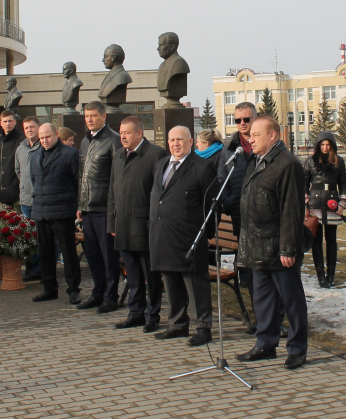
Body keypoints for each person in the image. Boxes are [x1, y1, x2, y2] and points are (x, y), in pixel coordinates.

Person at [235, 116, 308, 369]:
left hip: (279, 246)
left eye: (256, 135)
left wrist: (288, 248)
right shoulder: (257, 161)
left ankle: (297, 349)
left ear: (273, 136)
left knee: (291, 300)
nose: (250, 139)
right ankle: (265, 344)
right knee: (263, 299)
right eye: (249, 135)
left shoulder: (287, 164)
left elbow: (291, 211)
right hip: (257, 243)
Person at [149, 126, 218, 346]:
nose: (175, 144)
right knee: (170, 280)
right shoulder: (161, 165)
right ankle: (177, 324)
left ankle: (203, 327)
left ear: (191, 142)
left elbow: (212, 204)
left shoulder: (202, 167)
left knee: (195, 285)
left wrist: (205, 234)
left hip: (190, 236)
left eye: (180, 139)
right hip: (163, 234)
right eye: (171, 140)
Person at [107, 117, 168, 332]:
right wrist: (111, 222)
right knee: (132, 274)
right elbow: (112, 192)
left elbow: (160, 192)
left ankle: (153, 315)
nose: (122, 136)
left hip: (144, 225)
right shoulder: (119, 155)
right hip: (123, 224)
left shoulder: (155, 154)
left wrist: (154, 222)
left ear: (139, 134)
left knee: (150, 275)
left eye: (127, 132)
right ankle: (135, 313)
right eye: (121, 132)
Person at [77, 101, 123, 313]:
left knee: (108, 256)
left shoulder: (114, 140)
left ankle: (111, 297)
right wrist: (80, 203)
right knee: (92, 254)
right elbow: (82, 175)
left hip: (104, 208)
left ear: (104, 117)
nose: (89, 119)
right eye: (87, 116)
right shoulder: (86, 141)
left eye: (93, 116)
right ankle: (97, 292)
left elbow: (117, 178)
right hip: (87, 207)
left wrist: (114, 208)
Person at [29, 123, 82, 304]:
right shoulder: (35, 155)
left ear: (56, 135)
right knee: (45, 252)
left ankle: (73, 289)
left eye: (47, 137)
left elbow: (78, 182)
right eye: (41, 137)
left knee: (68, 252)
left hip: (62, 212)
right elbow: (34, 180)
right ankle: (49, 288)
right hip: (41, 212)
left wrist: (78, 206)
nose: (44, 141)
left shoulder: (70, 154)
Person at [218, 102, 259, 334]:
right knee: (251, 274)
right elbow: (222, 176)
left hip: (263, 220)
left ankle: (275, 318)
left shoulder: (264, 144)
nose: (242, 124)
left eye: (247, 119)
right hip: (240, 218)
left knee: (266, 273)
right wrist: (230, 201)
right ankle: (259, 318)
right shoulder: (230, 148)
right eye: (238, 120)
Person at [304, 131, 346, 288]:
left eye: (328, 144)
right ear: (318, 146)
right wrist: (305, 205)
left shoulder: (339, 162)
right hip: (315, 204)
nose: (325, 147)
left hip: (332, 203)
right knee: (316, 242)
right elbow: (304, 184)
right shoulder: (309, 162)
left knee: (331, 241)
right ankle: (320, 275)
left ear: (332, 146)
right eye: (322, 144)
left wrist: (342, 203)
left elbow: (343, 183)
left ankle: (331, 274)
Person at [15, 116, 42, 281]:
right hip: (25, 200)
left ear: (38, 128)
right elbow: (18, 171)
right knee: (28, 236)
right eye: (26, 128)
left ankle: (39, 269)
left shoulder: (43, 147)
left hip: (40, 200)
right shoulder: (20, 149)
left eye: (32, 127)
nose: (29, 130)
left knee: (40, 237)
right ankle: (30, 267)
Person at [0, 109, 24, 212]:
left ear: (15, 122)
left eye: (10, 121)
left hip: (17, 192)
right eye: (5, 121)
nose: (8, 124)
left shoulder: (22, 139)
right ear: (0, 123)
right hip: (2, 192)